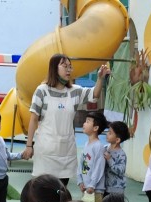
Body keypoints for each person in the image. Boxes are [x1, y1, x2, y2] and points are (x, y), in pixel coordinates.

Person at [20, 54, 110, 185]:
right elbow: (33, 119)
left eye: (70, 67)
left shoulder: (75, 91)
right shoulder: (42, 91)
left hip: (66, 151)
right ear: (54, 68)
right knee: (45, 191)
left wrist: (100, 78)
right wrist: (29, 146)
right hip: (46, 151)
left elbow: (94, 95)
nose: (68, 69)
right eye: (64, 66)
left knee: (61, 190)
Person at [78, 110, 108, 202]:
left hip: (95, 190)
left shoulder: (98, 146)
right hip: (86, 188)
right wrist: (80, 181)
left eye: (87, 121)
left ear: (95, 128)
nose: (84, 123)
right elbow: (81, 163)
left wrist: (92, 185)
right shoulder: (86, 144)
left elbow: (99, 168)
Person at [104, 120, 130, 197]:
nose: (107, 134)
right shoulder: (105, 148)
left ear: (117, 140)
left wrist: (109, 160)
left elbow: (120, 170)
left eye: (110, 133)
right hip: (105, 187)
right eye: (108, 131)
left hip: (116, 189)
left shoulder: (121, 154)